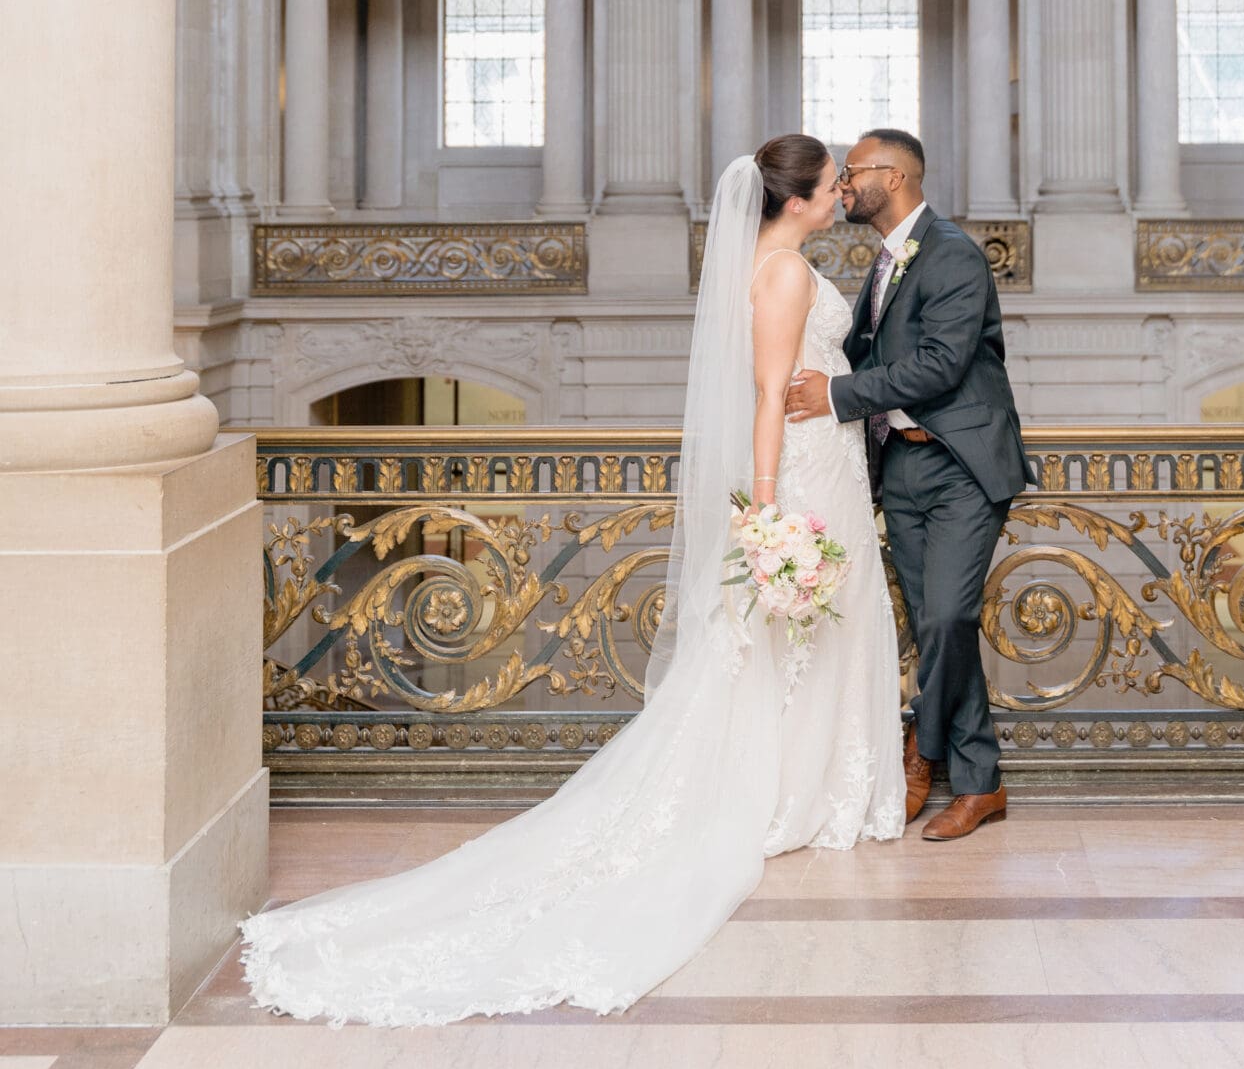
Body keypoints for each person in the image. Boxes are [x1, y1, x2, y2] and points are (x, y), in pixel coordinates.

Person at [241, 135, 903, 1024]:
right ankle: (793, 793)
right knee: (796, 630)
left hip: (828, 464)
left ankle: (810, 782)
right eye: (829, 188)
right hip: (808, 473)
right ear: (795, 201)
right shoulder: (782, 274)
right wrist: (772, 509)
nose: (840, 197)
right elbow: (766, 391)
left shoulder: (770, 261)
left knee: (803, 633)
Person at [785, 129, 1029, 839]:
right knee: (933, 624)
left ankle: (922, 753)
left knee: (948, 618)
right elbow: (867, 350)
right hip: (903, 465)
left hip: (960, 464)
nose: (842, 186)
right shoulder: (886, 261)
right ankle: (981, 783)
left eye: (851, 172)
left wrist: (835, 394)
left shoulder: (951, 252)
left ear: (891, 178)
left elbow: (939, 365)